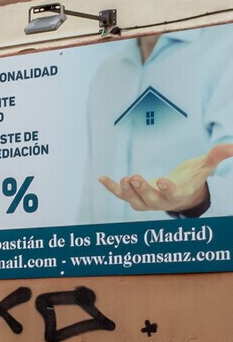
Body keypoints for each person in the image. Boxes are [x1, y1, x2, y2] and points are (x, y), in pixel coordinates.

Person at [82, 29, 233, 220]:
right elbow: (90, 194)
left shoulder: (225, 50)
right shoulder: (106, 72)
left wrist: (197, 200)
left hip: (191, 247)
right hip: (109, 247)